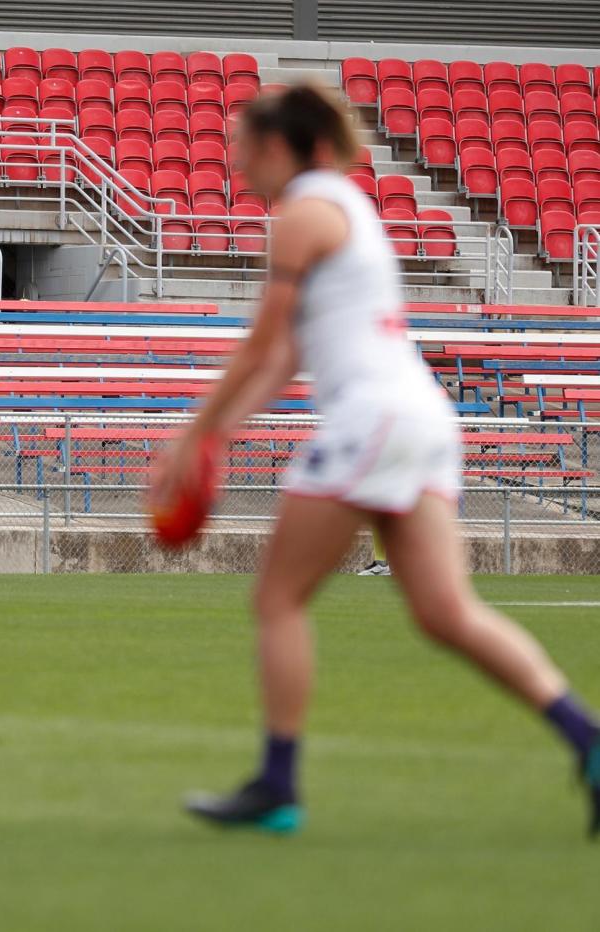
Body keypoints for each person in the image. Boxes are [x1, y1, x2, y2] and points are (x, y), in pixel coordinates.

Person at [150, 84, 600, 838]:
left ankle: (278, 785)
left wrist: (193, 435)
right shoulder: (343, 209)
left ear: (276, 149)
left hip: (376, 420)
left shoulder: (301, 214)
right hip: (420, 417)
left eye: (243, 147)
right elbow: (289, 354)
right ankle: (589, 742)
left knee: (278, 600)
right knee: (447, 614)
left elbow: (262, 344)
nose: (233, 162)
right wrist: (220, 430)